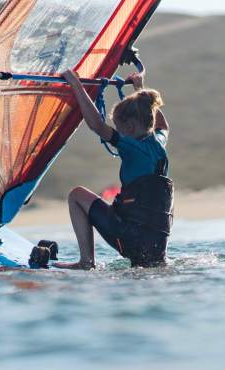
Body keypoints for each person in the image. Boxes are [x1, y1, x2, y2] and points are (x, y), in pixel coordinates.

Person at [55, 69, 173, 269]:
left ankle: (86, 262)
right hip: (155, 247)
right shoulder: (159, 143)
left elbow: (97, 126)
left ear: (132, 127)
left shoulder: (132, 146)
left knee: (77, 195)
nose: (118, 132)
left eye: (119, 128)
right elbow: (163, 125)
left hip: (130, 239)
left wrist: (76, 85)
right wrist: (139, 91)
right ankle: (87, 261)